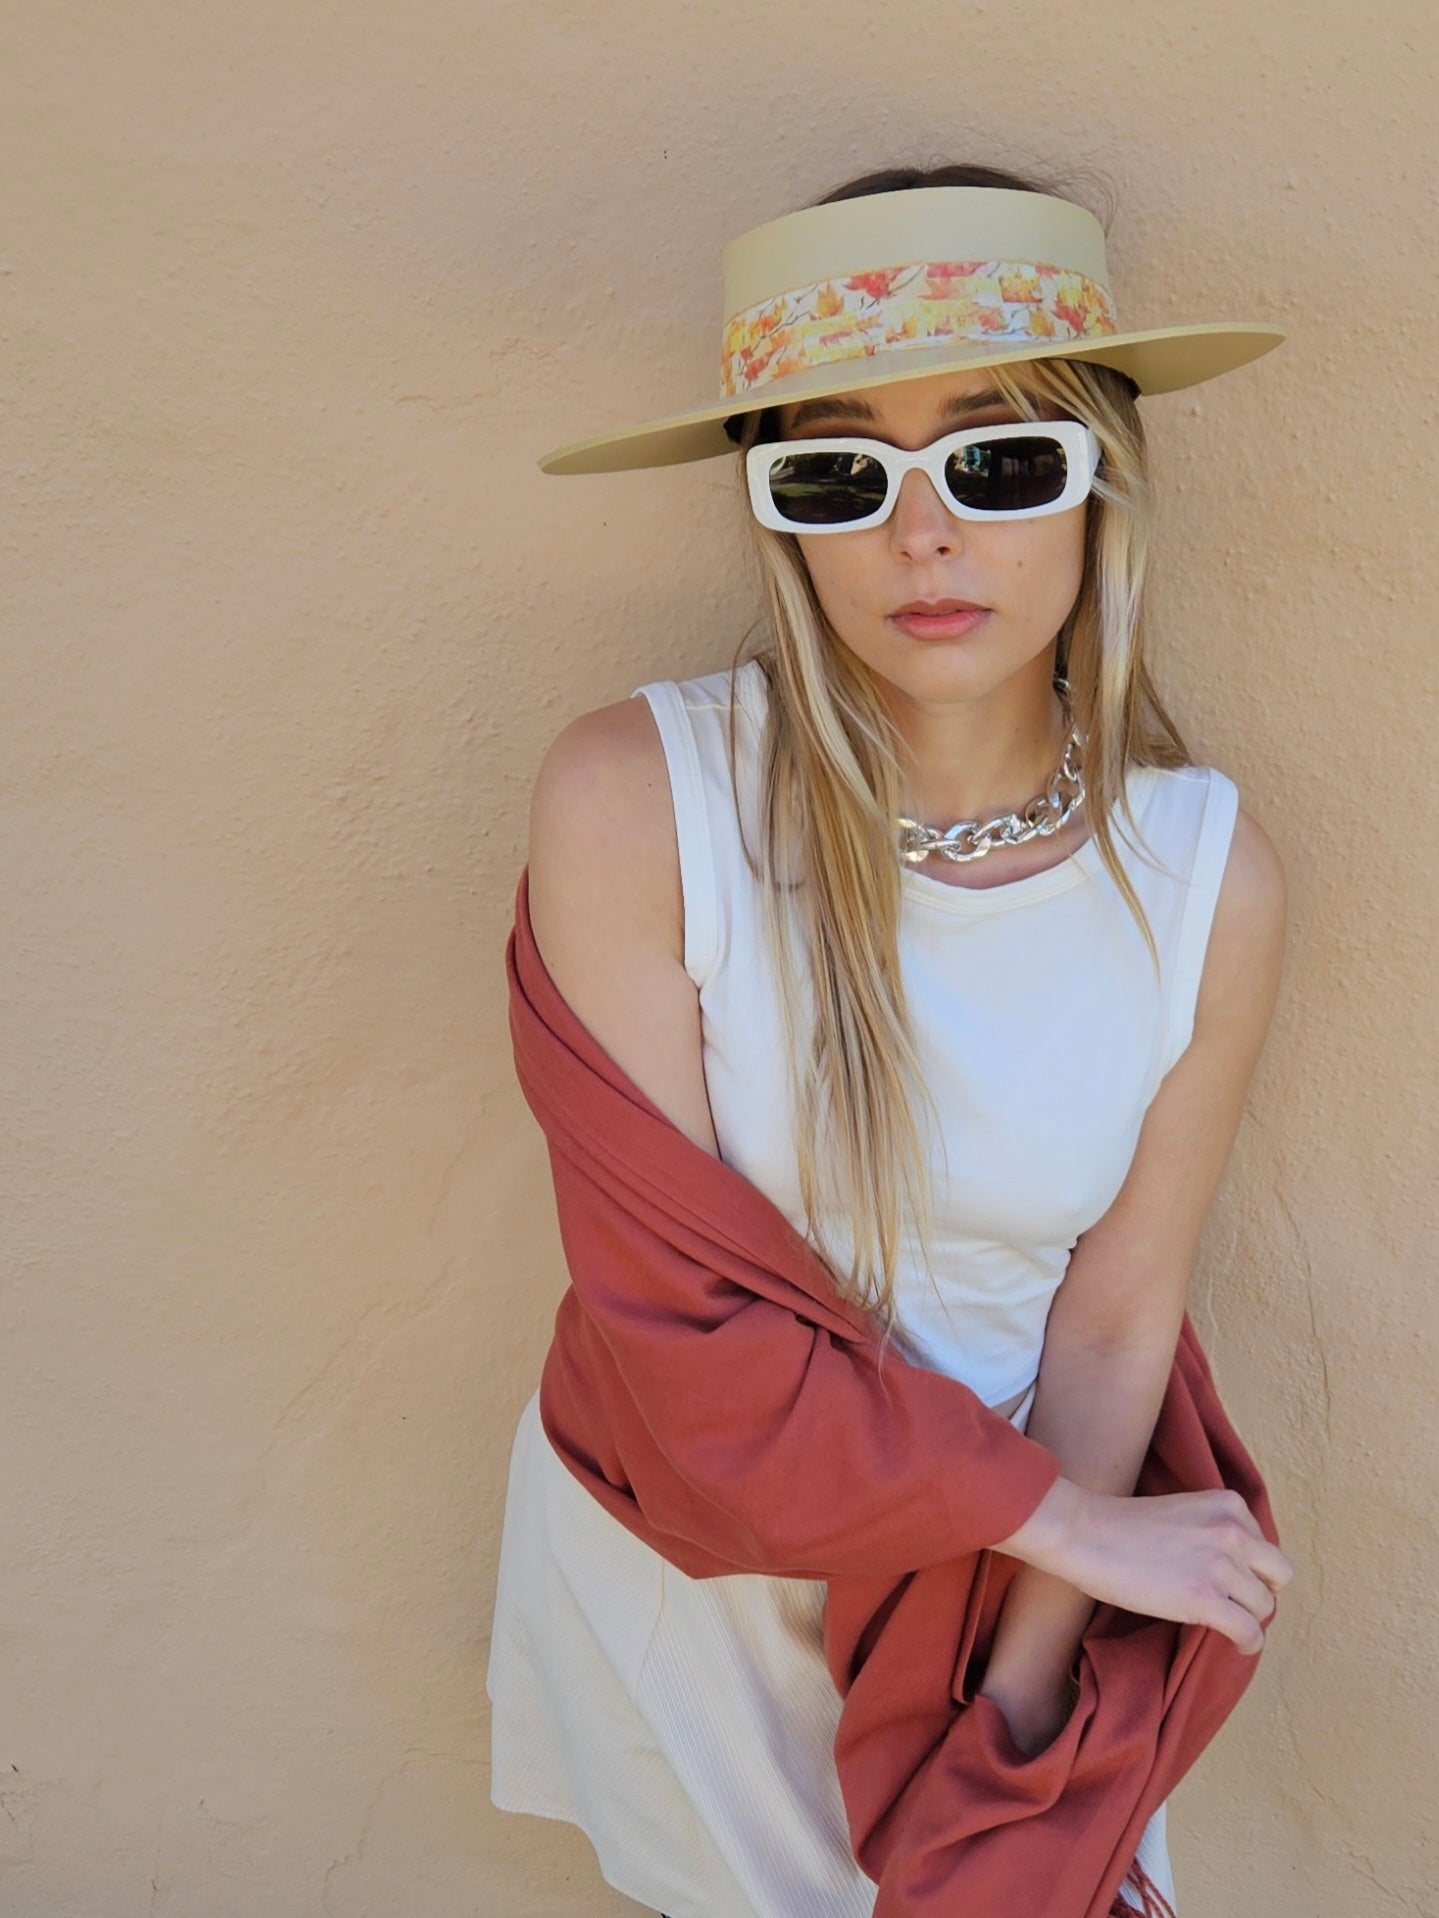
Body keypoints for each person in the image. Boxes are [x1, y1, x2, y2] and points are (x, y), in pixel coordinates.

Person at [486, 160, 1295, 1918]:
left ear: (1103, 487)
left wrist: (1014, 1719)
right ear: (780, 514)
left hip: (1018, 1607)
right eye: (841, 473)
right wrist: (1073, 1525)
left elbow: (1115, 1318)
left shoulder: (1203, 875)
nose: (922, 537)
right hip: (700, 1576)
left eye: (999, 462)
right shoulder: (642, 802)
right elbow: (671, 1337)